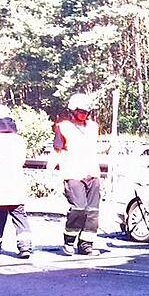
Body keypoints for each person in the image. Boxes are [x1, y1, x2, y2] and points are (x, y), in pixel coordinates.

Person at [0, 105, 32, 258]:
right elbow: (22, 160)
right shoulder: (18, 139)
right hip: (16, 182)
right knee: (20, 216)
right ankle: (25, 248)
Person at [53, 92, 101, 256]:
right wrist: (51, 170)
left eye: (86, 111)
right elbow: (57, 150)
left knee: (92, 211)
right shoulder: (63, 126)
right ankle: (69, 242)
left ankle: (86, 245)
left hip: (92, 173)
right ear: (72, 110)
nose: (84, 114)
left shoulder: (94, 127)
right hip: (73, 173)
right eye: (80, 111)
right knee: (79, 208)